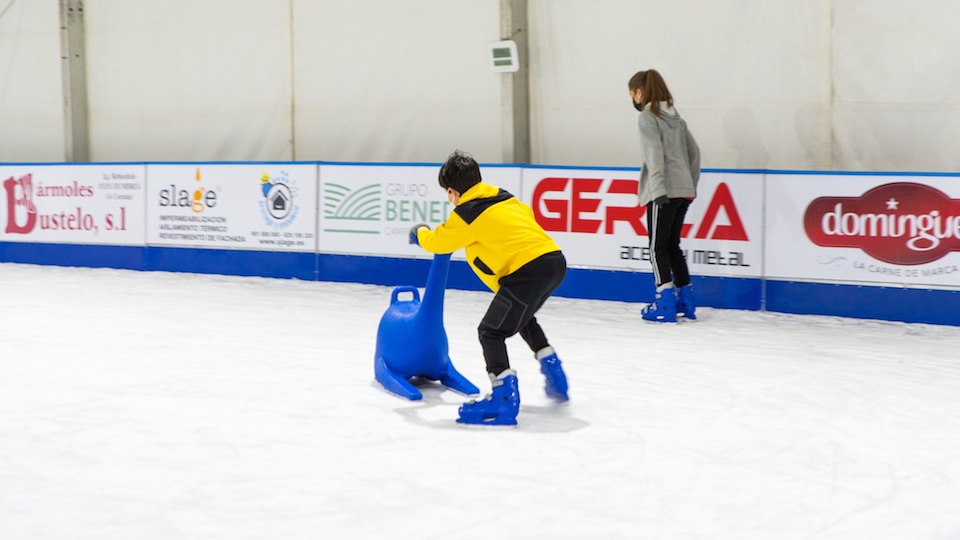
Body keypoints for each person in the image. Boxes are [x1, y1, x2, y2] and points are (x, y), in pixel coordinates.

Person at [409, 150, 569, 426]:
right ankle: (556, 375)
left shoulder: (467, 214)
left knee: (490, 332)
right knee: (523, 319)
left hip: (527, 272)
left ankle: (503, 399)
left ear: (452, 191)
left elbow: (438, 242)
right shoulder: (504, 198)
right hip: (553, 262)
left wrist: (419, 232)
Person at [628, 69, 701, 323]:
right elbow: (694, 153)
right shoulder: (676, 118)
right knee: (672, 246)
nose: (633, 100)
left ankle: (665, 301)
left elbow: (654, 153)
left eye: (632, 94)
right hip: (683, 190)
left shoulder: (648, 117)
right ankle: (686, 300)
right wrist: (690, 185)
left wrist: (658, 188)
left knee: (657, 247)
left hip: (664, 190)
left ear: (640, 92)